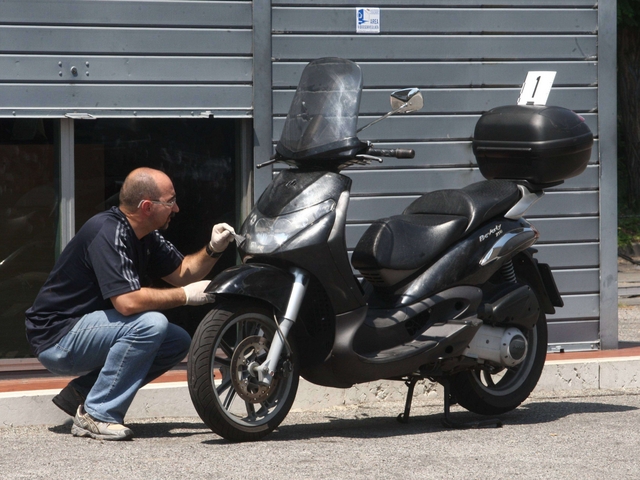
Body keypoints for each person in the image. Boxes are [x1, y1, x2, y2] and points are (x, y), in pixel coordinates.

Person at [25, 167, 235, 441]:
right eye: (170, 201)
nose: (177, 208)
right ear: (147, 206)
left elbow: (183, 272)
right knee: (151, 324)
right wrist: (185, 296)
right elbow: (126, 303)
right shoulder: (107, 231)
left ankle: (83, 394)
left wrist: (213, 248)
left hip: (87, 330)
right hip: (58, 336)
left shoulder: (145, 234)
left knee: (176, 340)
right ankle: (97, 414)